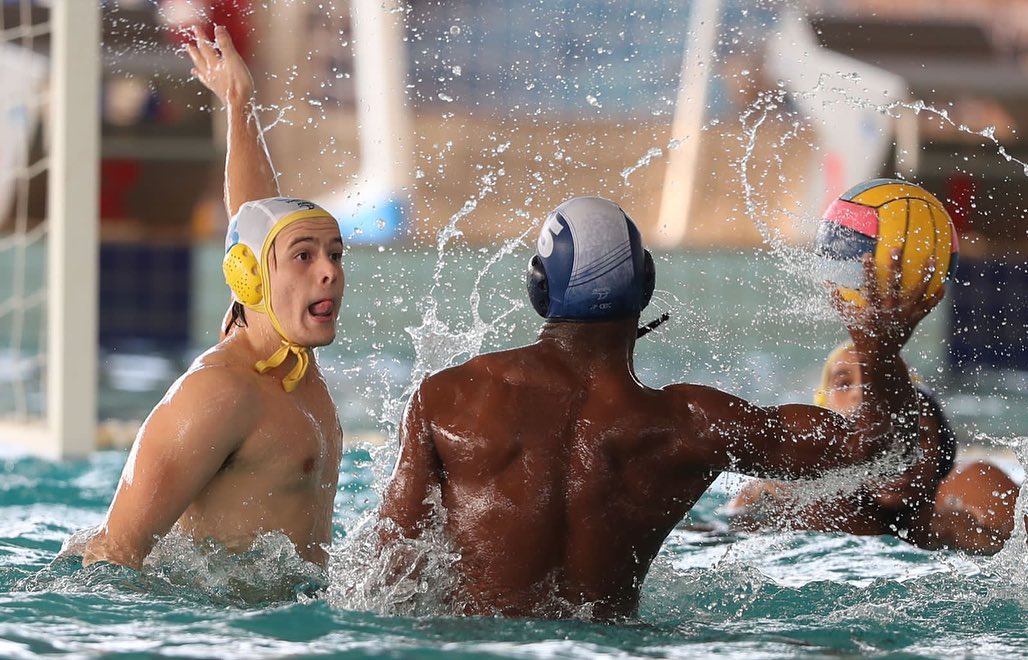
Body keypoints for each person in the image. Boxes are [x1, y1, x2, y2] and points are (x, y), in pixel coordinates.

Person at [377, 195, 942, 619]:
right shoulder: (689, 426)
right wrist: (876, 341)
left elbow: (385, 575)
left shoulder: (447, 398)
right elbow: (871, 449)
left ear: (538, 288)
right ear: (645, 284)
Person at [74, 28, 346, 571]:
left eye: (336, 255)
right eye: (304, 256)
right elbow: (113, 555)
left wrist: (240, 105)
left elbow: (254, 218)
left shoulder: (292, 365)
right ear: (250, 279)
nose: (329, 274)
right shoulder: (219, 395)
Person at [727, 343, 1020, 556]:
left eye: (913, 434)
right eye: (845, 383)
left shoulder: (969, 498)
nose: (898, 452)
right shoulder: (781, 498)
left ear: (944, 450)